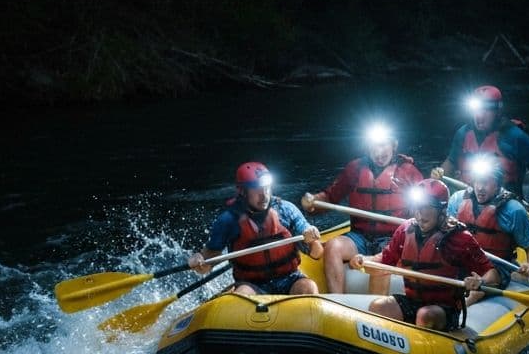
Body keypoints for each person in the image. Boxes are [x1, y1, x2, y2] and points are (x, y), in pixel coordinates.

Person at [348, 178, 498, 330]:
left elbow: (492, 274)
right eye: (417, 206)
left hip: (445, 308)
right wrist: (363, 260)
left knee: (425, 315)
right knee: (378, 307)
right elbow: (384, 261)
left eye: (426, 207)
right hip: (413, 301)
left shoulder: (460, 238)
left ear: (442, 210)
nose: (419, 214)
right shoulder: (405, 230)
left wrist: (481, 282)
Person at [302, 122, 423, 294]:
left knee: (385, 258)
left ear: (393, 145)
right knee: (333, 247)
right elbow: (330, 197)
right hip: (359, 237)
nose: (379, 152)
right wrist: (313, 201)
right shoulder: (355, 169)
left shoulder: (408, 172)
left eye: (383, 145)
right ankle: (338, 303)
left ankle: (378, 310)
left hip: (392, 238)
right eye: (374, 146)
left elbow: (424, 209)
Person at [189, 161, 323, 296]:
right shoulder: (228, 220)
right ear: (243, 192)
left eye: (266, 188)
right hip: (251, 285)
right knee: (241, 295)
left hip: (289, 279)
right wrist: (199, 260)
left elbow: (317, 253)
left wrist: (312, 240)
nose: (264, 195)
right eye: (257, 190)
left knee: (308, 287)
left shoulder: (286, 210)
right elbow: (207, 263)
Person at [432, 84, 529, 213]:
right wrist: (436, 178)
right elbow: (451, 161)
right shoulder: (463, 133)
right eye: (476, 110)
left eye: (486, 110)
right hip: (468, 199)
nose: (479, 115)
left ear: (497, 112)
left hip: (505, 204)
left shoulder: (516, 137)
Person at [446, 156, 529, 306]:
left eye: (486, 182)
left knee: (487, 277)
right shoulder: (457, 200)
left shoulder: (513, 210)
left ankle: (462, 306)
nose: (480, 187)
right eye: (477, 181)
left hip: (495, 266)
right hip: (462, 259)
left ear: (497, 185)